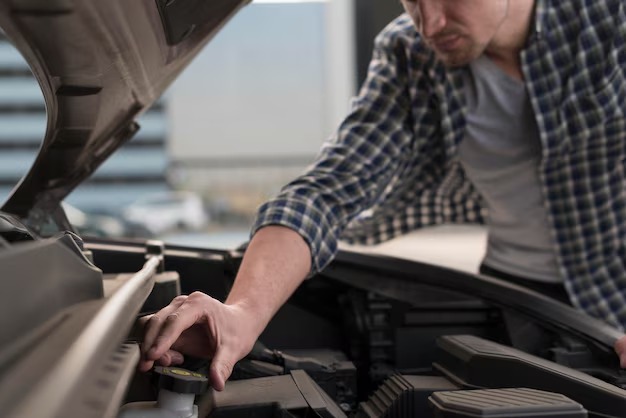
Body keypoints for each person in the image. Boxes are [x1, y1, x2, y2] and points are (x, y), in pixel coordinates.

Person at [139, 0, 626, 390]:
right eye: (412, 0)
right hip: (513, 295)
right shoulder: (410, 53)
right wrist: (243, 314)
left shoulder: (608, 18)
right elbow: (327, 192)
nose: (430, 21)